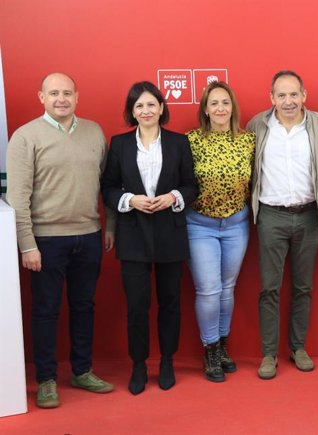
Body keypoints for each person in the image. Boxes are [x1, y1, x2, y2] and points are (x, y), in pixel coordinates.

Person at [6, 72, 115, 409]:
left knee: (84, 307)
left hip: (89, 236)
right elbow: (18, 196)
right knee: (46, 312)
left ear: (77, 97)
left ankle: (82, 370)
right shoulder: (25, 137)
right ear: (41, 97)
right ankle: (46, 380)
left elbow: (107, 185)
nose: (61, 99)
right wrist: (27, 243)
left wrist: (110, 226)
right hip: (46, 241)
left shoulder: (94, 132)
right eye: (54, 93)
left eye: (67, 93)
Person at [101, 81, 198, 395]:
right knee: (137, 306)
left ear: (161, 108)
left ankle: (167, 360)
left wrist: (173, 197)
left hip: (170, 232)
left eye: (151, 105)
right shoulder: (119, 144)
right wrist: (130, 200)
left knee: (170, 303)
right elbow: (108, 187)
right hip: (133, 235)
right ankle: (139, 364)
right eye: (139, 106)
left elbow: (191, 186)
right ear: (132, 111)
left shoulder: (178, 143)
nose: (146, 111)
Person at [247, 70, 318, 380]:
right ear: (271, 98)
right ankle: (269, 353)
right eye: (281, 95)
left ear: (304, 95)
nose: (288, 101)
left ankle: (298, 347)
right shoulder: (256, 127)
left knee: (303, 287)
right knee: (269, 288)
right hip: (271, 216)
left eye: (293, 94)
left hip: (310, 214)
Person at [186, 81, 255, 382]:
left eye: (225, 102)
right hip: (200, 225)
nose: (220, 109)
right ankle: (210, 348)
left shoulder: (248, 141)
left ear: (233, 107)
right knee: (209, 290)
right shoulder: (190, 141)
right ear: (205, 108)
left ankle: (223, 345)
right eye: (213, 103)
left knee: (227, 288)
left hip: (236, 225)